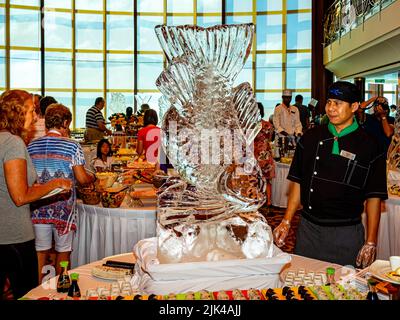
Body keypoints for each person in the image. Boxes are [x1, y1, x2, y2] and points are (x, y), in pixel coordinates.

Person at [273, 81, 387, 268]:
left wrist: (371, 240)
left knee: (344, 291)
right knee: (303, 285)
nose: (331, 108)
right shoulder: (310, 137)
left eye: (338, 103)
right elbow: (298, 182)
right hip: (308, 230)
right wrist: (286, 221)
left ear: (354, 107)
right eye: (329, 102)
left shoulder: (370, 145)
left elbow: (374, 196)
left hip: (346, 233)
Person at [0, 90, 72, 299]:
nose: (36, 117)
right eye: (32, 111)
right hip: (14, 236)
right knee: (28, 293)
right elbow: (20, 196)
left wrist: (42, 189)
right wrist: (56, 183)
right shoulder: (13, 143)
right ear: (18, 112)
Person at [28, 103, 95, 283]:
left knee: (40, 251)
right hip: (63, 210)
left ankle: (35, 291)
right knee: (63, 252)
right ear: (65, 123)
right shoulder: (72, 146)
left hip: (38, 207)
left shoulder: (31, 146)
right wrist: (93, 177)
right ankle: (60, 290)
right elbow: (81, 179)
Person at [254, 102, 275, 206]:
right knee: (267, 180)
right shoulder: (268, 125)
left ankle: (258, 201)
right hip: (266, 154)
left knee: (256, 180)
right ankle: (269, 202)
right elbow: (270, 138)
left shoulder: (252, 126)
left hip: (256, 155)